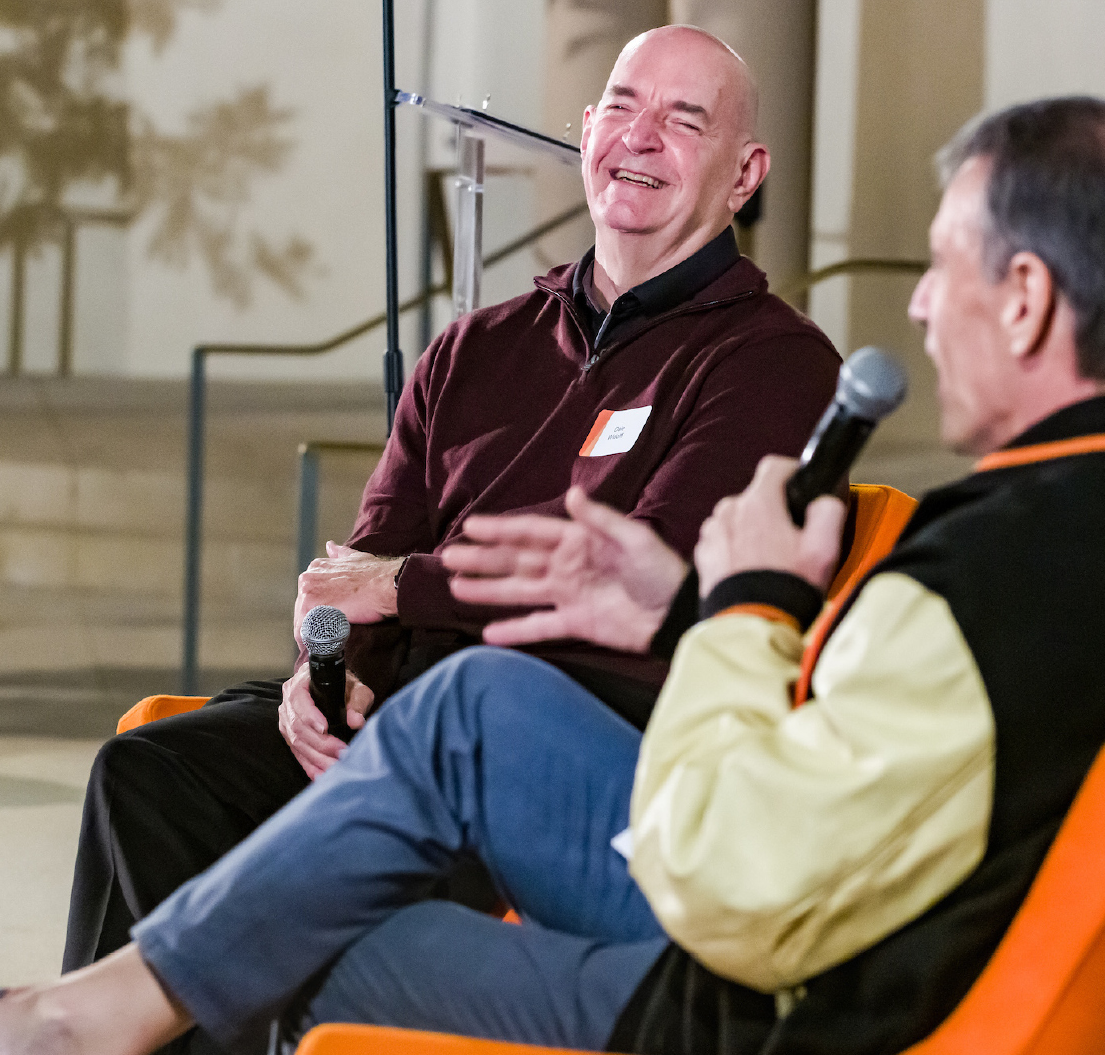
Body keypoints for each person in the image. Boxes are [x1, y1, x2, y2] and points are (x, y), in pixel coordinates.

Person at [0, 96, 1105, 1055]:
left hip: (779, 1004)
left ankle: (67, 1029)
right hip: (924, 937)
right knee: (449, 712)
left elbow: (730, 889)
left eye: (939, 267)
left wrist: (742, 608)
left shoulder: (970, 580)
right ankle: (63, 1023)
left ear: (1026, 294)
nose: (919, 308)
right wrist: (678, 601)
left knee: (290, 933)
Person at [60, 20, 843, 1009]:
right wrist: (321, 673)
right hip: (392, 722)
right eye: (624, 106)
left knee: (363, 816)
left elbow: (628, 576)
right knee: (153, 772)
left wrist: (401, 586)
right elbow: (360, 564)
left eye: (685, 121)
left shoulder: (771, 359)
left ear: (745, 173)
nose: (641, 137)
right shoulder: (475, 348)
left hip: (570, 742)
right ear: (589, 126)